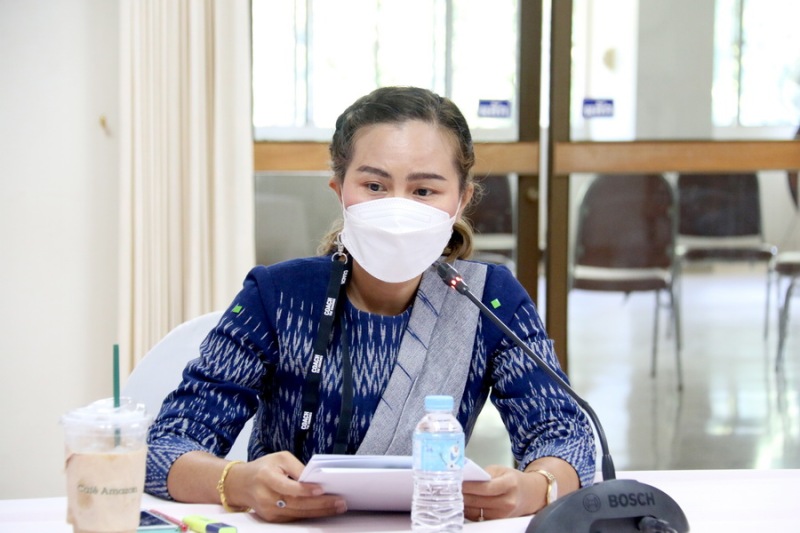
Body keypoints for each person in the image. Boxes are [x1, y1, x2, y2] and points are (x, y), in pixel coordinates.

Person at [145, 86, 596, 523]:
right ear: (339, 190)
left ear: (461, 200)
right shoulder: (277, 294)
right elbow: (164, 448)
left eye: (424, 191)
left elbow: (567, 439)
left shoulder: (488, 299)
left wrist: (533, 488)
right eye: (375, 185)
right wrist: (239, 483)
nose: (398, 210)